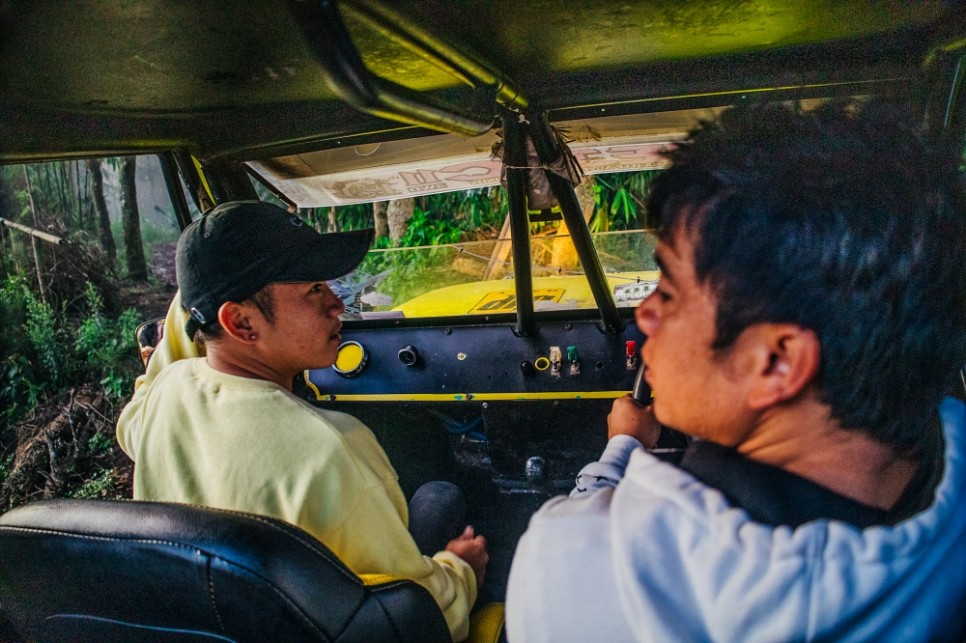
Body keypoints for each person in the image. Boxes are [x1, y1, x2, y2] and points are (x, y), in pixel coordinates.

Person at [506, 100, 966, 641]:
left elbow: (589, 547)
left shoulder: (574, 560)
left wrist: (622, 448)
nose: (645, 314)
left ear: (776, 362)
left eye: (670, 291)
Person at [116, 201, 487, 642]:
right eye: (313, 289)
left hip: (217, 622)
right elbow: (419, 618)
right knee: (440, 497)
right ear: (239, 321)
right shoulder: (330, 447)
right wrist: (460, 570)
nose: (337, 304)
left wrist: (196, 294)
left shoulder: (164, 396)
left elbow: (138, 411)